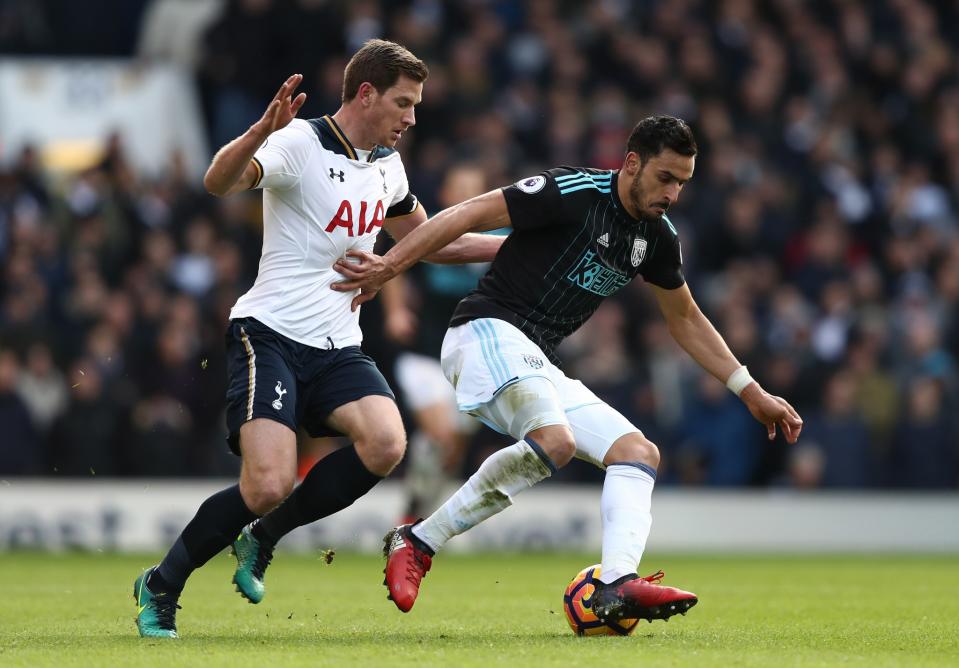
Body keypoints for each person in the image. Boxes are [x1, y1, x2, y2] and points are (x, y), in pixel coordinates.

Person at [332, 115, 804, 624]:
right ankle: (420, 541)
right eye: (665, 178)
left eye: (683, 183)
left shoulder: (658, 239)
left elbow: (685, 318)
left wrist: (749, 390)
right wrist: (390, 265)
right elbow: (468, 214)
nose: (673, 193)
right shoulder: (572, 191)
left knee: (638, 453)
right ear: (631, 164)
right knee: (553, 441)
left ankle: (616, 583)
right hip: (485, 330)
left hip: (537, 357)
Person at [133, 39, 503, 639]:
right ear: (366, 94)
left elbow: (433, 241)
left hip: (338, 346)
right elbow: (218, 182)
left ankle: (265, 537)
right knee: (268, 483)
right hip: (269, 335)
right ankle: (162, 584)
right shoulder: (298, 143)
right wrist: (259, 131)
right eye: (403, 104)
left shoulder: (387, 164)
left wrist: (517, 247)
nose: (412, 119)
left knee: (387, 444)